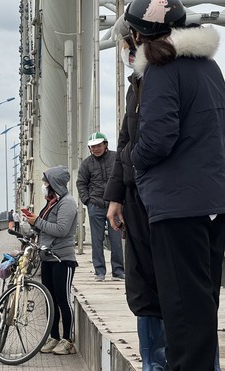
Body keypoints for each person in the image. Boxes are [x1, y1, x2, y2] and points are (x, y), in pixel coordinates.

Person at [125, 0, 225, 368]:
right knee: (202, 309)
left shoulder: (162, 70)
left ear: (138, 35)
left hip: (177, 206)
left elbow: (158, 139)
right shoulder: (209, 67)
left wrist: (133, 159)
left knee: (182, 316)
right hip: (213, 202)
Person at [103, 14, 166, 370]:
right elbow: (127, 140)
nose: (123, 52)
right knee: (141, 284)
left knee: (168, 284)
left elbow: (146, 144)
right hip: (135, 197)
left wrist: (128, 158)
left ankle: (164, 359)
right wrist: (115, 197)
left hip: (161, 198)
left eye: (124, 44)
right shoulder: (135, 86)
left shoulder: (164, 80)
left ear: (136, 39)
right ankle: (151, 361)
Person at [24, 165, 78, 356]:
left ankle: (68, 339)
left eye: (46, 182)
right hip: (47, 257)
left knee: (63, 300)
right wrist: (33, 223)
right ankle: (53, 336)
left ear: (54, 183)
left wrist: (37, 222)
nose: (44, 186)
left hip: (62, 258)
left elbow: (62, 229)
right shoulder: (51, 203)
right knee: (50, 300)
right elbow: (44, 226)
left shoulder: (67, 203)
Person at [76, 132, 125, 282]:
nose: (96, 149)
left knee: (116, 239)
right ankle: (99, 271)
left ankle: (118, 271)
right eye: (93, 147)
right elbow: (81, 183)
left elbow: (123, 176)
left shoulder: (116, 158)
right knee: (96, 240)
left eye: (98, 145)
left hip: (114, 204)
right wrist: (87, 201)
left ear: (105, 144)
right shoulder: (86, 164)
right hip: (95, 205)